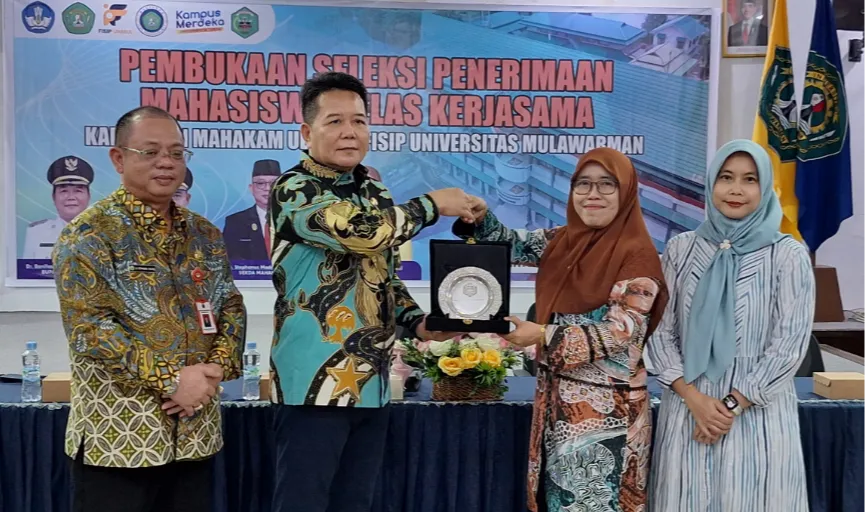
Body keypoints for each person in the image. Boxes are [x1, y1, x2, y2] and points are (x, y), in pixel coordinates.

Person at [268, 71, 473, 512]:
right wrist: (432, 205)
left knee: (356, 502)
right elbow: (364, 235)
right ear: (306, 132)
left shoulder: (374, 190)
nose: (350, 132)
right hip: (314, 382)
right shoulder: (294, 188)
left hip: (372, 381)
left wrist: (418, 322)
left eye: (359, 121)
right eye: (335, 121)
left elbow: (383, 272)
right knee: (303, 502)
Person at [52, 106, 246, 512]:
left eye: (176, 153)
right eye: (151, 152)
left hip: (195, 434)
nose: (166, 162)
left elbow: (229, 304)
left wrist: (214, 371)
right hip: (119, 441)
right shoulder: (88, 235)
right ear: (118, 158)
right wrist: (172, 380)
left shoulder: (205, 234)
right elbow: (91, 330)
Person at [455, 147, 668, 512]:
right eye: (583, 184)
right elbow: (516, 245)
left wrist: (542, 335)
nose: (592, 194)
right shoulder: (565, 240)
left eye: (606, 184)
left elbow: (620, 332)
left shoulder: (638, 255)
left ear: (626, 191)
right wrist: (481, 217)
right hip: (554, 406)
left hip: (609, 419)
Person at [648, 140, 813, 511]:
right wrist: (696, 401)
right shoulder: (681, 249)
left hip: (756, 416)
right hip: (688, 410)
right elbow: (659, 332)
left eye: (749, 179)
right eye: (726, 177)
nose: (736, 189)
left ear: (765, 187)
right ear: (711, 184)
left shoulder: (787, 255)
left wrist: (727, 408)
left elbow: (789, 345)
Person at [23, 156, 94, 259]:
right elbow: (27, 268)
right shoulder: (36, 232)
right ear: (53, 197)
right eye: (64, 191)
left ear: (89, 196)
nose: (71, 197)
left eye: (78, 191)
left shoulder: (104, 232)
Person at [223, 159, 282, 261]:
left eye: (273, 183)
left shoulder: (293, 220)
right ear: (251, 188)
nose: (267, 188)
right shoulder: (235, 222)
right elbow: (228, 259)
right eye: (260, 183)